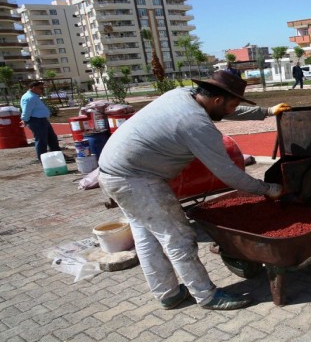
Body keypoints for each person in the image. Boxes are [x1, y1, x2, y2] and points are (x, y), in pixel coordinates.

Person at [97, 70, 291, 311]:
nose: (233, 110)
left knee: (146, 235)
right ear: (218, 100)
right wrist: (268, 189)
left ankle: (168, 294)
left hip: (112, 171)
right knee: (179, 239)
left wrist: (266, 112)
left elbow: (223, 110)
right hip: (137, 180)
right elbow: (229, 174)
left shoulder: (185, 94)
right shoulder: (196, 124)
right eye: (232, 104)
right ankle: (207, 296)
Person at [20, 81, 72, 163]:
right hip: (36, 121)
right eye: (41, 88)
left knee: (52, 138)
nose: (42, 90)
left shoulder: (34, 96)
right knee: (41, 140)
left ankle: (58, 155)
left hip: (42, 120)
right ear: (34, 88)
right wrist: (25, 120)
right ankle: (43, 159)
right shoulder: (29, 97)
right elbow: (26, 111)